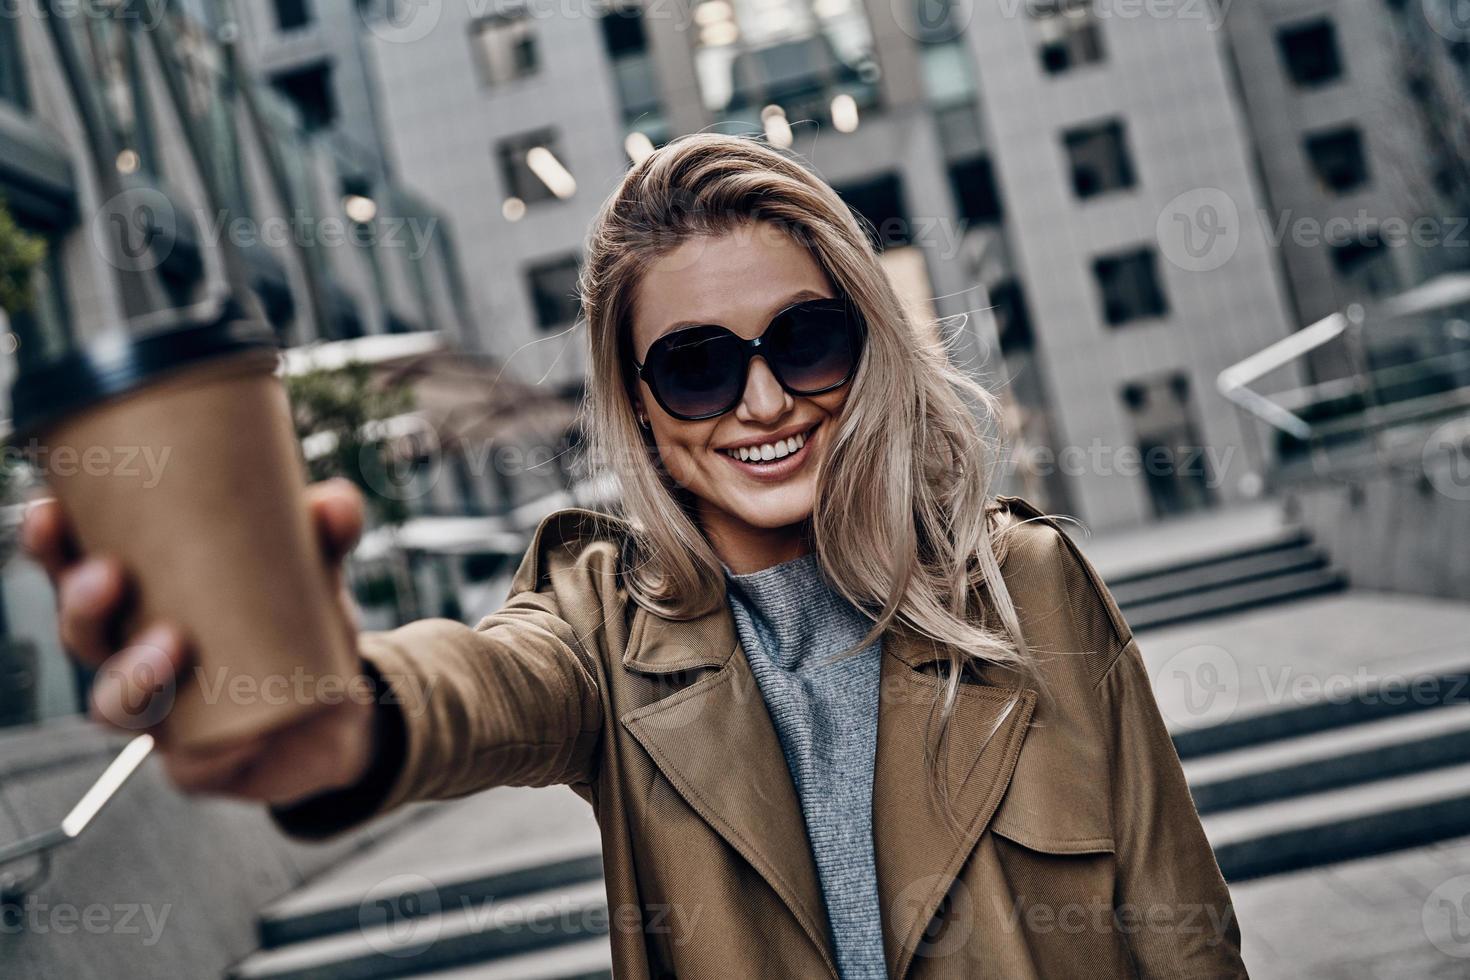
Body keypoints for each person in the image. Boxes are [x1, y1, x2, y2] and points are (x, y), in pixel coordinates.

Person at [24, 134, 1245, 978]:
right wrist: (352, 717)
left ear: (866, 347)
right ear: (643, 406)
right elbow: (483, 684)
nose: (763, 402)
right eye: (699, 365)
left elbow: (1185, 933)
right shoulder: (602, 625)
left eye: (806, 342)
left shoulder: (1025, 585)